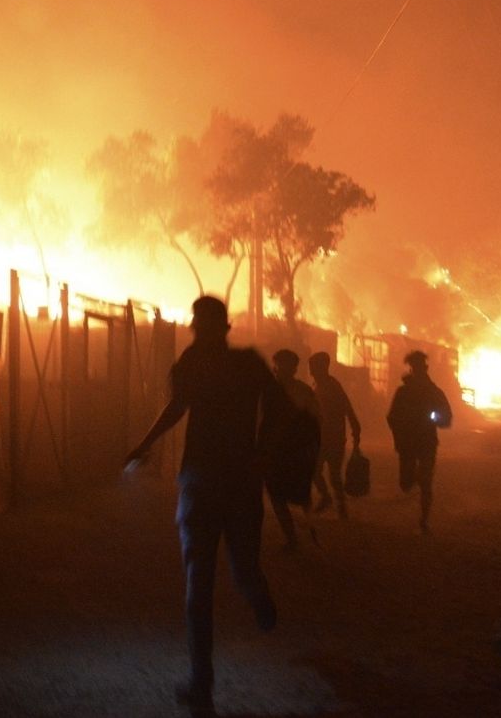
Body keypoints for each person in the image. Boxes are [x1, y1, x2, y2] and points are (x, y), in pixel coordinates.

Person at [125, 296, 289, 715]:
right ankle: (208, 675)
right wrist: (263, 453)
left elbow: (176, 407)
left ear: (210, 327)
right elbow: (277, 409)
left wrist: (145, 444)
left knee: (207, 582)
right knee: (225, 575)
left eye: (200, 324)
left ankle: (205, 680)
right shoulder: (238, 363)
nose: (197, 330)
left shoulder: (210, 363)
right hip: (225, 484)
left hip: (207, 481)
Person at [385, 349, 453, 534]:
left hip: (426, 442)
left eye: (420, 366)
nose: (419, 370)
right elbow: (391, 417)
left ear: (425, 368)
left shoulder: (434, 392)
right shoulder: (403, 393)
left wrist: (436, 419)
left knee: (426, 483)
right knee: (406, 484)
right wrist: (399, 434)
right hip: (408, 444)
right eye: (415, 366)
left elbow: (447, 418)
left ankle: (424, 521)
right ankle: (417, 477)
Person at [267, 348, 318, 550]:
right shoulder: (270, 390)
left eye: (282, 366)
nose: (278, 370)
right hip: (278, 451)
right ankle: (295, 536)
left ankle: (303, 532)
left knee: (289, 494)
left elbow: (316, 420)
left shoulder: (303, 392)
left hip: (295, 450)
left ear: (293, 368)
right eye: (277, 365)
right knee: (278, 494)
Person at [307, 351, 362, 518]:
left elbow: (347, 408)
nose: (311, 371)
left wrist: (355, 428)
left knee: (333, 474)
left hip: (334, 438)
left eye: (313, 367)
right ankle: (328, 498)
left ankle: (339, 505)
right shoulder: (318, 386)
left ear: (322, 367)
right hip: (321, 437)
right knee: (315, 471)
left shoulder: (332, 386)